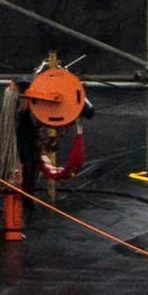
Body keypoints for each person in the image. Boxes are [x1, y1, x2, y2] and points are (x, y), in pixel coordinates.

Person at [18, 54, 88, 192]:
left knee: (28, 160)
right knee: (27, 159)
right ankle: (26, 193)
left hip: (39, 126)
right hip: (32, 130)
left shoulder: (69, 93)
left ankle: (27, 194)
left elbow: (88, 110)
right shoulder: (27, 111)